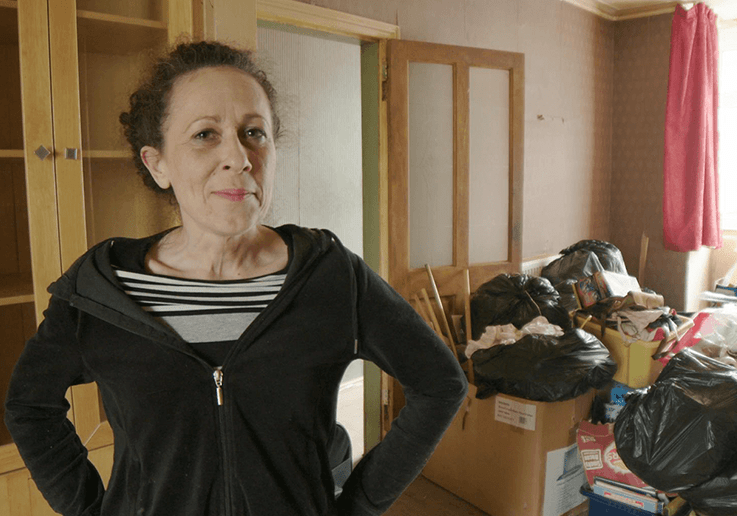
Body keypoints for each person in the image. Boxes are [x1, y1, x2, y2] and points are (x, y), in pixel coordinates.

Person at [4, 41, 468, 516]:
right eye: (205, 134)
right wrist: (88, 509)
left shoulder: (330, 276)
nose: (240, 157)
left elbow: (440, 384)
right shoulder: (101, 290)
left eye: (254, 133)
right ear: (157, 163)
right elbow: (29, 406)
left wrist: (360, 504)